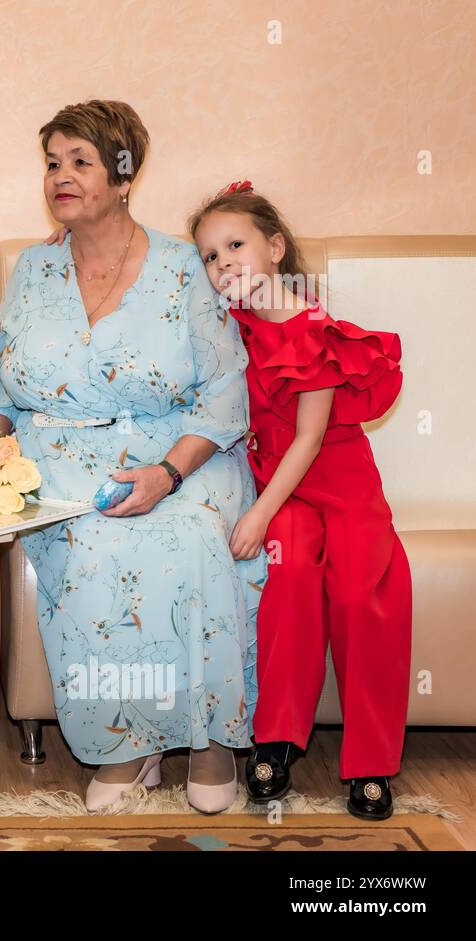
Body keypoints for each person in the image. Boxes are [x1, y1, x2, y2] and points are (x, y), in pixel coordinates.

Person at [0, 100, 267, 814]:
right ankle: (125, 743)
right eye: (52, 163)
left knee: (192, 534)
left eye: (80, 161)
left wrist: (168, 472)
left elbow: (227, 395)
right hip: (61, 461)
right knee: (93, 539)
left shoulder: (180, 265)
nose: (61, 177)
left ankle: (210, 737)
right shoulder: (33, 270)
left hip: (179, 453)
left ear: (124, 175)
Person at [191, 181, 410, 820]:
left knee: (361, 596)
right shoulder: (230, 326)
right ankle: (277, 740)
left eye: (236, 244)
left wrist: (256, 512)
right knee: (285, 577)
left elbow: (311, 437)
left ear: (276, 247)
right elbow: (147, 271)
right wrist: (69, 240)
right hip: (283, 492)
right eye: (209, 255)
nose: (222, 262)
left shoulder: (310, 328)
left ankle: (370, 762)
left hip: (336, 482)